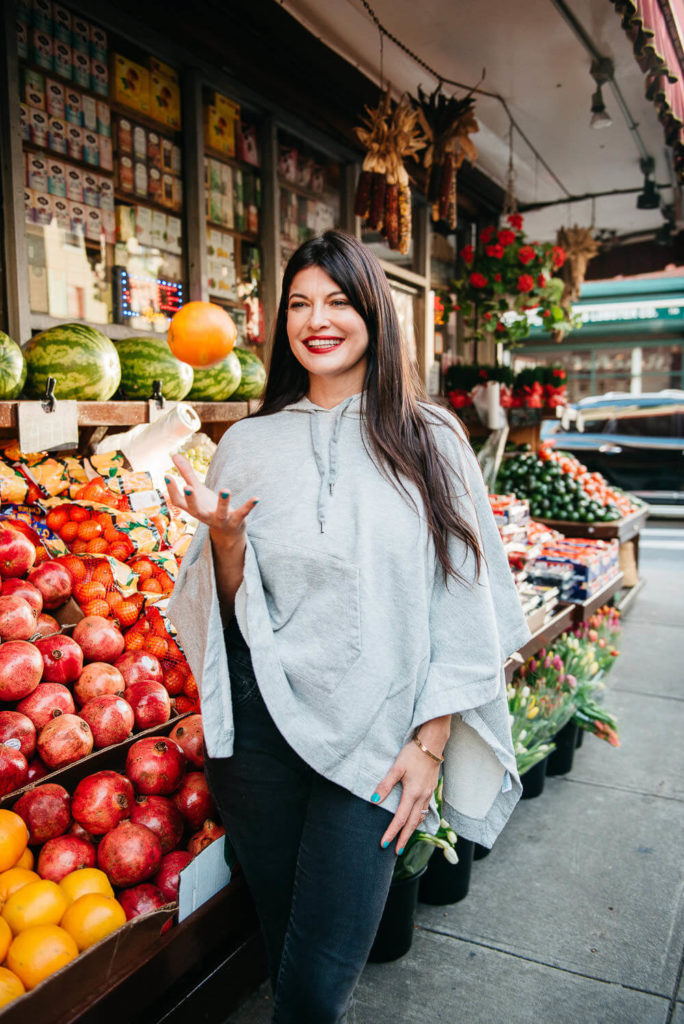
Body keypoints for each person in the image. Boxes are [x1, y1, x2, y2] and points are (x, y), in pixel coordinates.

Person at [166, 230, 530, 1024]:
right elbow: (233, 615)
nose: (316, 319)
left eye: (336, 300)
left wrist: (429, 743)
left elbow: (464, 601)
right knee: (282, 935)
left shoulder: (428, 438)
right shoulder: (247, 445)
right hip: (260, 737)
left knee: (319, 981)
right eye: (299, 303)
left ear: (373, 312)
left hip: (378, 733)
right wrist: (226, 544)